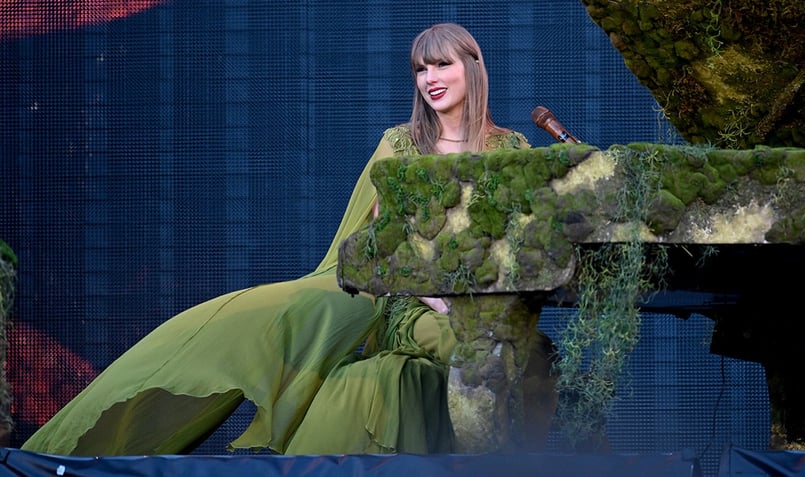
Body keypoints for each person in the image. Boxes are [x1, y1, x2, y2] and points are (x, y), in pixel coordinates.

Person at [21, 22, 556, 456]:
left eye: (442, 64)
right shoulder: (401, 145)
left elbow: (528, 237)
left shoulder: (511, 147)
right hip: (416, 305)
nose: (429, 78)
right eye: (420, 68)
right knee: (477, 350)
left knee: (531, 351)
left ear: (474, 66)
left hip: (491, 304)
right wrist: (443, 305)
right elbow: (384, 248)